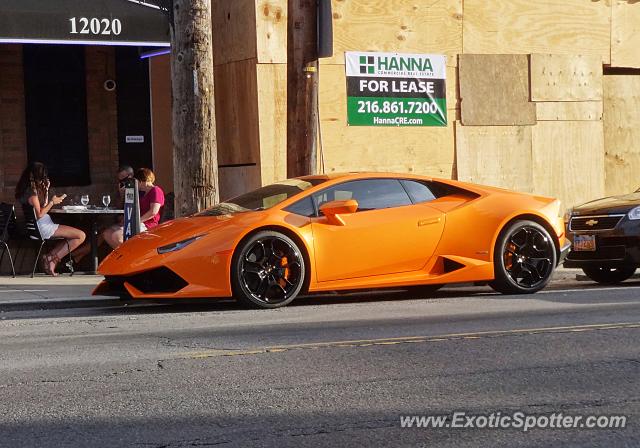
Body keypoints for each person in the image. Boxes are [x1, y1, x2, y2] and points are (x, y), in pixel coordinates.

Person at [15, 162, 86, 276]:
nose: (44, 180)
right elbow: (40, 214)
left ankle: (50, 257)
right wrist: (53, 202)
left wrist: (46, 190)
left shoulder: (28, 191)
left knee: (71, 237)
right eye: (43, 178)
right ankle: (53, 259)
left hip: (41, 226)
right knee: (81, 235)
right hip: (42, 227)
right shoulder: (32, 194)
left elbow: (42, 207)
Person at [71, 165, 135, 264]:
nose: (122, 183)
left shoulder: (136, 189)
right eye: (120, 181)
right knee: (100, 232)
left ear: (130, 176)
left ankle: (72, 256)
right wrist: (122, 195)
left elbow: (140, 210)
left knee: (102, 234)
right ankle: (74, 258)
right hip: (122, 221)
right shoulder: (124, 189)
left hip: (132, 222)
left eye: (124, 180)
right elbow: (119, 207)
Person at [103, 167, 165, 249]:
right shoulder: (141, 193)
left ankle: (130, 257)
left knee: (117, 236)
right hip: (137, 222)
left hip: (147, 224)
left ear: (142, 181)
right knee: (107, 233)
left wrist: (134, 222)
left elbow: (153, 212)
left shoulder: (156, 191)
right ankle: (123, 257)